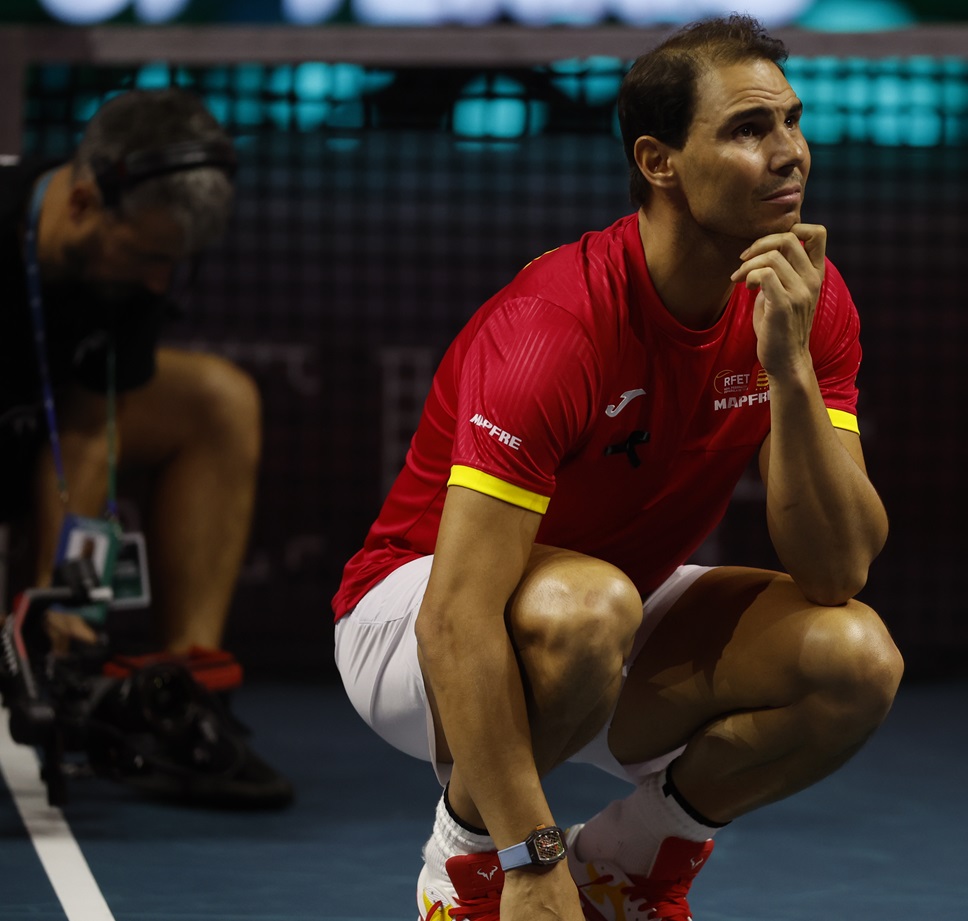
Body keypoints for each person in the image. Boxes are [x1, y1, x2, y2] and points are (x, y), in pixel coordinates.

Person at [332, 14, 903, 921]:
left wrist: (788, 370)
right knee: (587, 604)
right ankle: (465, 866)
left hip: (606, 611)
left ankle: (630, 867)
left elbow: (837, 570)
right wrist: (526, 857)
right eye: (750, 129)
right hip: (413, 619)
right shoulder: (554, 327)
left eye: (792, 121)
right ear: (659, 161)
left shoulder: (807, 298)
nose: (790, 152)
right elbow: (457, 616)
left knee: (854, 658)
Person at [1, 88, 290, 808]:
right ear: (82, 203)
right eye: (148, 256)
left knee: (217, 401)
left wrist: (64, 600)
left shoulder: (128, 279)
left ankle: (178, 693)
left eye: (175, 262)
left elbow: (94, 428)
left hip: (36, 430)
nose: (159, 282)